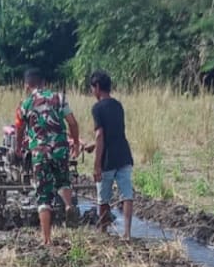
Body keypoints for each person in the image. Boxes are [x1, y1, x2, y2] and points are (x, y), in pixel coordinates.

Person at [13, 68, 81, 247]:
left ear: (27, 85)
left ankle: (47, 239)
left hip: (40, 153)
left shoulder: (25, 104)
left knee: (43, 196)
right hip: (60, 149)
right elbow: (72, 122)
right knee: (64, 181)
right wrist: (75, 142)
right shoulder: (59, 98)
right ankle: (68, 205)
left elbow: (19, 129)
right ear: (44, 82)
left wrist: (19, 147)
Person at [88, 70, 135, 241]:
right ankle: (127, 233)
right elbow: (113, 133)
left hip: (107, 159)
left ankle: (104, 232)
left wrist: (97, 165)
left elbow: (101, 135)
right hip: (123, 155)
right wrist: (93, 145)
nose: (92, 92)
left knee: (103, 197)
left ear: (98, 87)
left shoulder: (97, 108)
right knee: (127, 194)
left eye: (92, 88)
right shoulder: (118, 105)